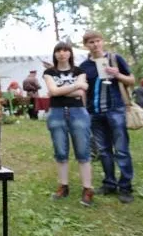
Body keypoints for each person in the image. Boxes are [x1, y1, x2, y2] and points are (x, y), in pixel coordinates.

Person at [79, 30, 136, 203]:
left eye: (97, 41)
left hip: (115, 109)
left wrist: (117, 74)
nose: (95, 44)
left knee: (121, 149)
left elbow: (132, 80)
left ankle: (125, 187)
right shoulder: (84, 66)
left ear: (102, 42)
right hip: (94, 112)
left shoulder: (115, 59)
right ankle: (109, 183)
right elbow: (82, 89)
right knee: (103, 150)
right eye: (91, 42)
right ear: (86, 45)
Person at [42, 42, 93, 206]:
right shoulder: (49, 72)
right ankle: (63, 186)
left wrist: (61, 89)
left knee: (83, 151)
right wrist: (76, 85)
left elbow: (77, 93)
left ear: (70, 53)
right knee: (60, 151)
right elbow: (54, 91)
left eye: (65, 50)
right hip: (56, 113)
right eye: (58, 51)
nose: (62, 53)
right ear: (55, 54)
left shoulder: (80, 71)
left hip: (78, 113)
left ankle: (87, 188)